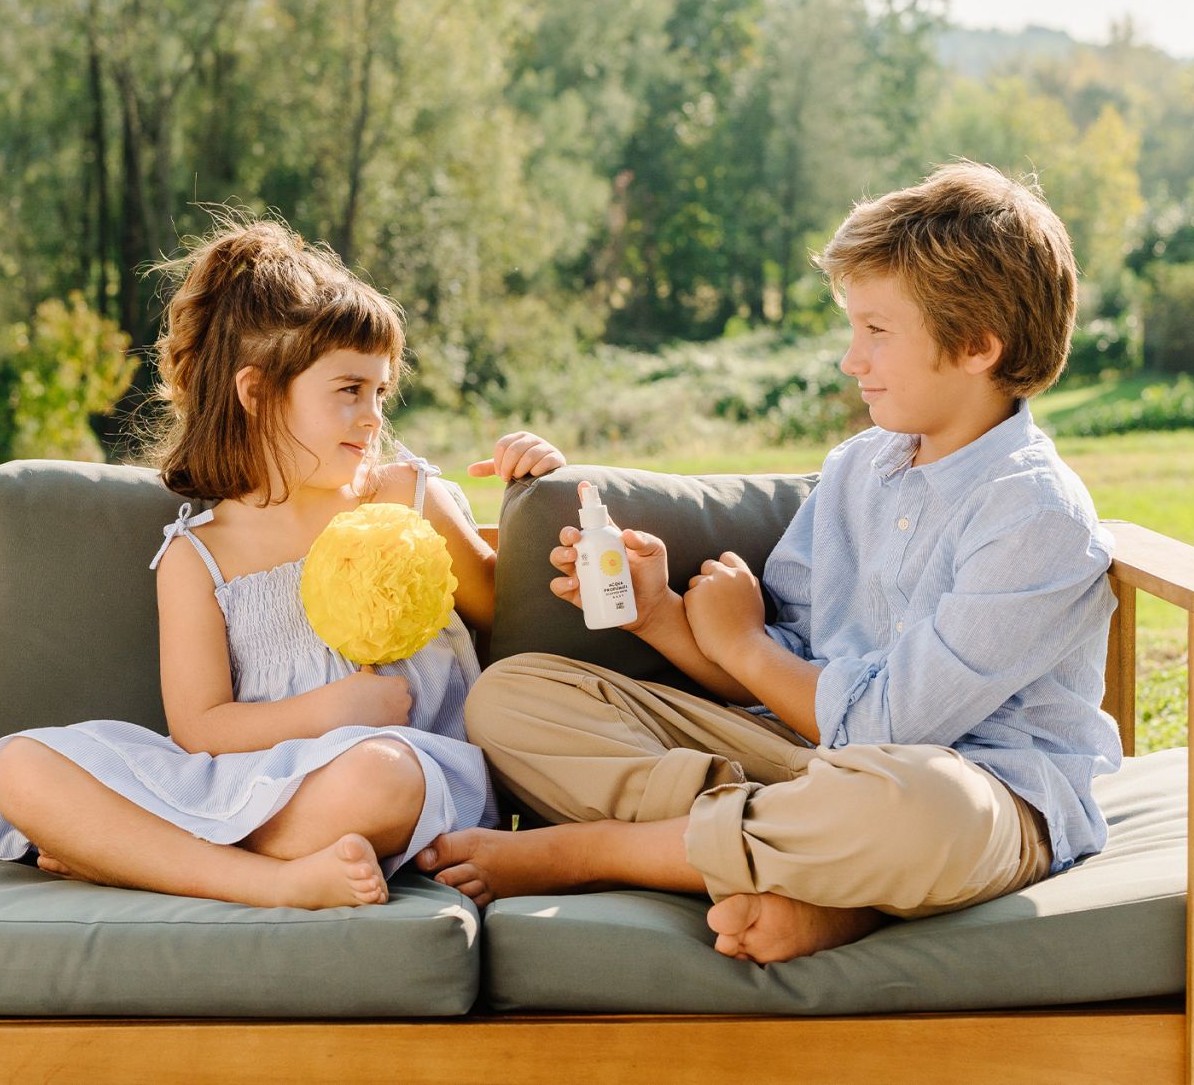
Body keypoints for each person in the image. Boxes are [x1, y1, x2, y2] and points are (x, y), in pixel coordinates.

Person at [416, 162, 1124, 964]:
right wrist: (665, 618)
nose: (852, 360)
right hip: (803, 772)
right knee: (512, 695)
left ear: (977, 346)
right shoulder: (859, 466)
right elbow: (778, 683)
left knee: (925, 809)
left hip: (980, 792)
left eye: (877, 332)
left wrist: (744, 645)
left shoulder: (1033, 513)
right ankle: (816, 883)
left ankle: (600, 853)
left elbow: (893, 727)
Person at [0, 219, 564, 910]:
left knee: (381, 778)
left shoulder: (405, 496)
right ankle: (270, 880)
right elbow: (200, 728)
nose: (373, 416)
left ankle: (131, 853)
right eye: (348, 389)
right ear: (256, 393)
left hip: (387, 775)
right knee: (19, 768)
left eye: (381, 391)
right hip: (243, 781)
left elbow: (509, 614)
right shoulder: (198, 557)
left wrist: (537, 485)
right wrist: (334, 707)